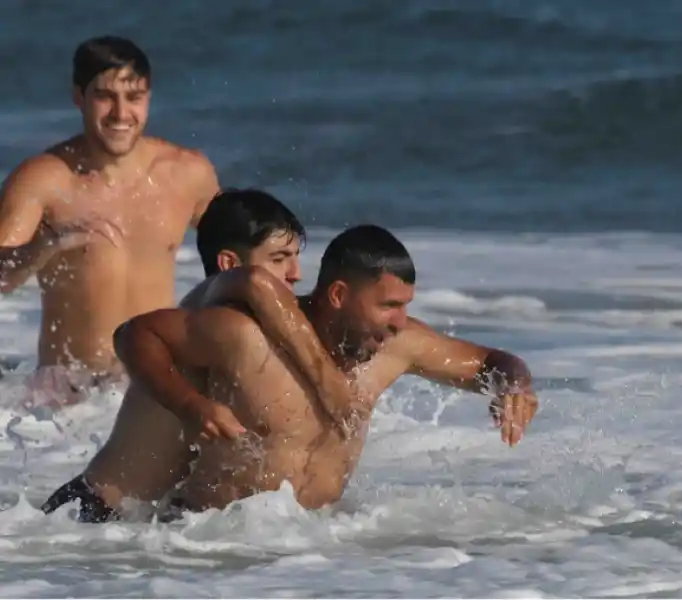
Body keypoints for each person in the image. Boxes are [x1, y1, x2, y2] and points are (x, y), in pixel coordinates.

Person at [110, 224, 539, 518]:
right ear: (338, 294)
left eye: (405, 305)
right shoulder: (247, 337)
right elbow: (136, 334)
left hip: (317, 557)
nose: (400, 321)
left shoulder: (397, 346)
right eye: (388, 305)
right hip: (208, 548)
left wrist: (513, 385)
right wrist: (187, 404)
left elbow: (491, 363)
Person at [39, 188, 308, 523]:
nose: (295, 273)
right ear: (230, 264)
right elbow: (131, 335)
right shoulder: (208, 311)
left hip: (128, 525)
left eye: (295, 257)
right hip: (93, 515)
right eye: (279, 259)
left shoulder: (239, 323)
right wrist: (190, 406)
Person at [0, 35, 220, 408]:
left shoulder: (187, 174)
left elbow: (238, 256)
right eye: (105, 96)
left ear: (148, 97)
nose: (121, 114)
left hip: (159, 384)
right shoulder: (45, 179)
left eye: (134, 97)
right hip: (68, 399)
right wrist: (49, 242)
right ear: (78, 97)